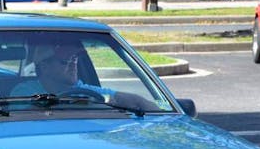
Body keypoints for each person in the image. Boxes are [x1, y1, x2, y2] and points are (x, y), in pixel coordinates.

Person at [10, 40, 157, 112]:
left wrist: (167, 113)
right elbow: (21, 119)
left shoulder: (85, 91)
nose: (73, 64)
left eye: (74, 59)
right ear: (44, 66)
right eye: (65, 61)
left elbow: (137, 102)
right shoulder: (24, 92)